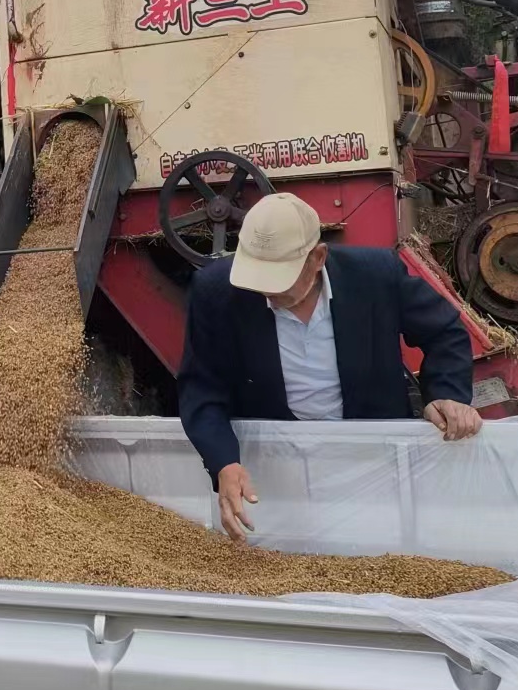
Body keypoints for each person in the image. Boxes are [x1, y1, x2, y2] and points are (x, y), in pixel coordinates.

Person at [177, 192, 482, 541]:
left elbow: (445, 332)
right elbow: (201, 387)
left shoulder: (376, 275)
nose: (265, 289)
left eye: (279, 277)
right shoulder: (217, 291)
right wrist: (224, 463)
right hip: (279, 470)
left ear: (317, 258)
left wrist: (446, 394)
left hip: (372, 456)